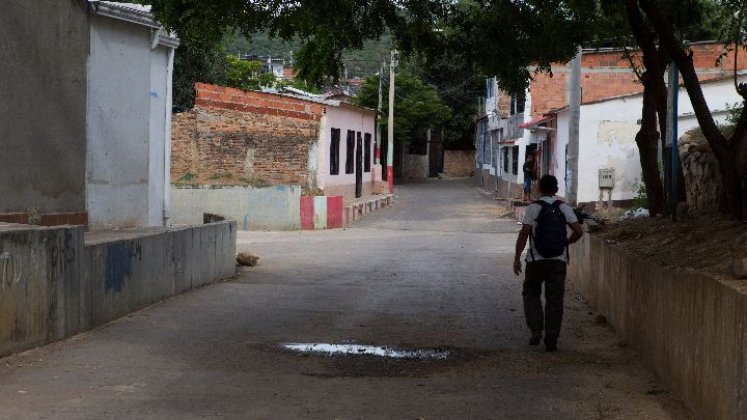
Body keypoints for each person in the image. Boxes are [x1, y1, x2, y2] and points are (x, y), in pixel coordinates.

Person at [513, 175, 583, 352]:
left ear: (540, 188)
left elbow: (524, 233)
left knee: (531, 294)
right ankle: (551, 340)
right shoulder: (564, 208)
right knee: (555, 301)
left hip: (535, 261)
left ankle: (536, 329)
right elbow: (579, 231)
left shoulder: (533, 208)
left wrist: (516, 258)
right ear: (556, 189)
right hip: (557, 262)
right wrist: (566, 242)